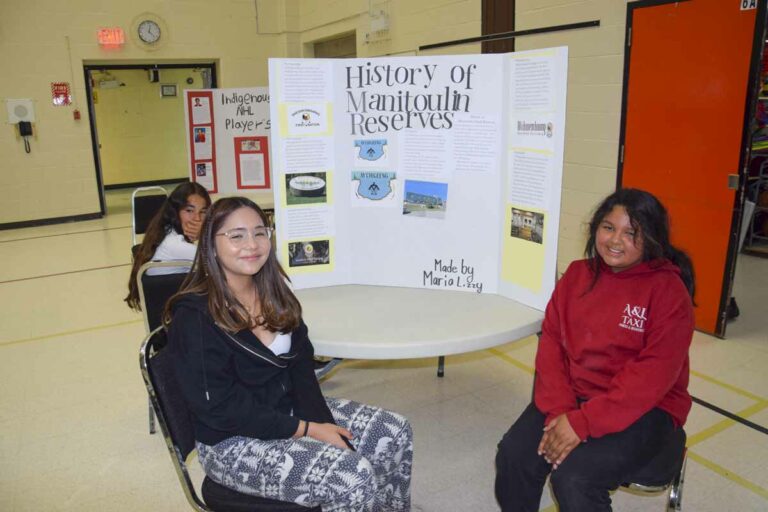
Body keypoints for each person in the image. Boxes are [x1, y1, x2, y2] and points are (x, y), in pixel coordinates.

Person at [164, 197, 413, 511]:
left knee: (392, 431)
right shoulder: (195, 317)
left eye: (259, 232)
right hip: (231, 442)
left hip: (286, 411)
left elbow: (300, 371)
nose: (252, 244)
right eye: (236, 235)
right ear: (211, 246)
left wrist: (323, 426)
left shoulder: (273, 292)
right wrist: (307, 431)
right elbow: (221, 409)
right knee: (352, 476)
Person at [495, 188, 696, 512]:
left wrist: (583, 422)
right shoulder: (577, 275)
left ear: (654, 240)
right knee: (514, 455)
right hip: (574, 394)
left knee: (575, 478)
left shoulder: (668, 292)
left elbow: (652, 375)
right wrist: (561, 411)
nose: (616, 240)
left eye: (632, 234)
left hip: (647, 408)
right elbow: (552, 346)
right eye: (608, 227)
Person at [124, 182, 211, 310]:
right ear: (175, 212)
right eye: (189, 210)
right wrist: (207, 233)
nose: (197, 218)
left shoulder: (166, 229)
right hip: (177, 316)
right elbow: (221, 262)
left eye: (203, 212)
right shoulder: (175, 245)